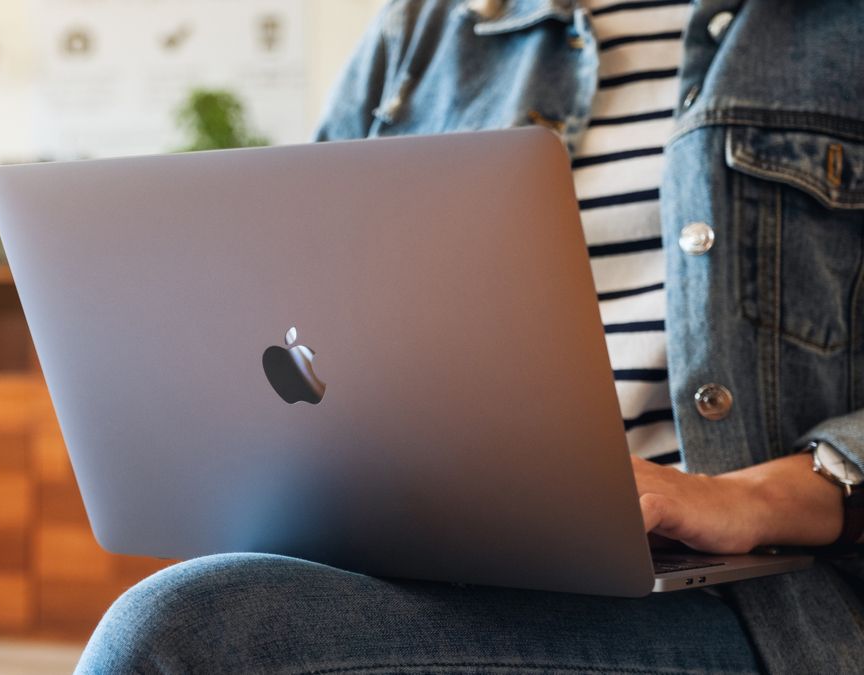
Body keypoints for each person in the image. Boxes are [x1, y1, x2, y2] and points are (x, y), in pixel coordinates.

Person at [78, 1, 864, 672]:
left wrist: (753, 495)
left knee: (185, 630)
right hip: (438, 557)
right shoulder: (426, 28)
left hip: (758, 599)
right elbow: (291, 279)